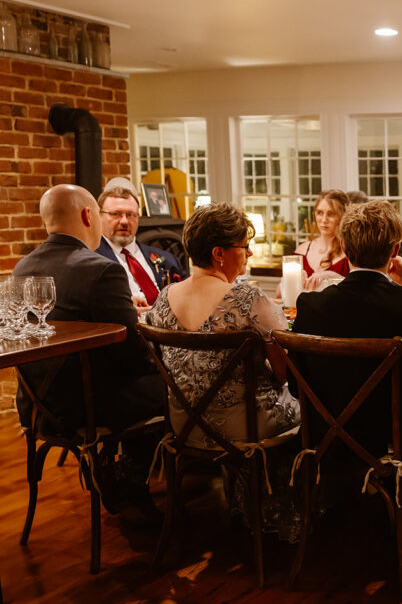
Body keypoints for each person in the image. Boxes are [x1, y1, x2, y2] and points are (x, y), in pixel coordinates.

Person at [146, 203, 301, 538]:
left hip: (185, 426)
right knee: (309, 407)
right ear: (219, 253)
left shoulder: (163, 298)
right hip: (245, 428)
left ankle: (244, 497)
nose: (248, 254)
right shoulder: (250, 300)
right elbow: (286, 372)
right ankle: (282, 508)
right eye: (243, 248)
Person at [15, 184, 164, 516]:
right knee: (177, 388)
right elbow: (133, 356)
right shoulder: (100, 269)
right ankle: (129, 479)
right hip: (88, 406)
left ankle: (117, 472)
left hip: (38, 404)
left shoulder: (22, 268)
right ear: (87, 215)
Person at [290, 200, 402, 507]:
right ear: (394, 252)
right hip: (399, 433)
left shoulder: (310, 305)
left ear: (345, 249)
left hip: (329, 432)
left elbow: (298, 389)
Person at [95, 178, 186, 310]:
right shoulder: (92, 260)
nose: (125, 221)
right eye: (116, 214)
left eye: (131, 215)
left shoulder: (167, 259)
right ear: (100, 216)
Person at [294, 189, 350, 291]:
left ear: (342, 216)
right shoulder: (301, 251)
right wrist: (294, 280)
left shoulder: (351, 253)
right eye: (320, 213)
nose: (324, 220)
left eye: (331, 214)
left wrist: (333, 277)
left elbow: (360, 293)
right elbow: (279, 293)